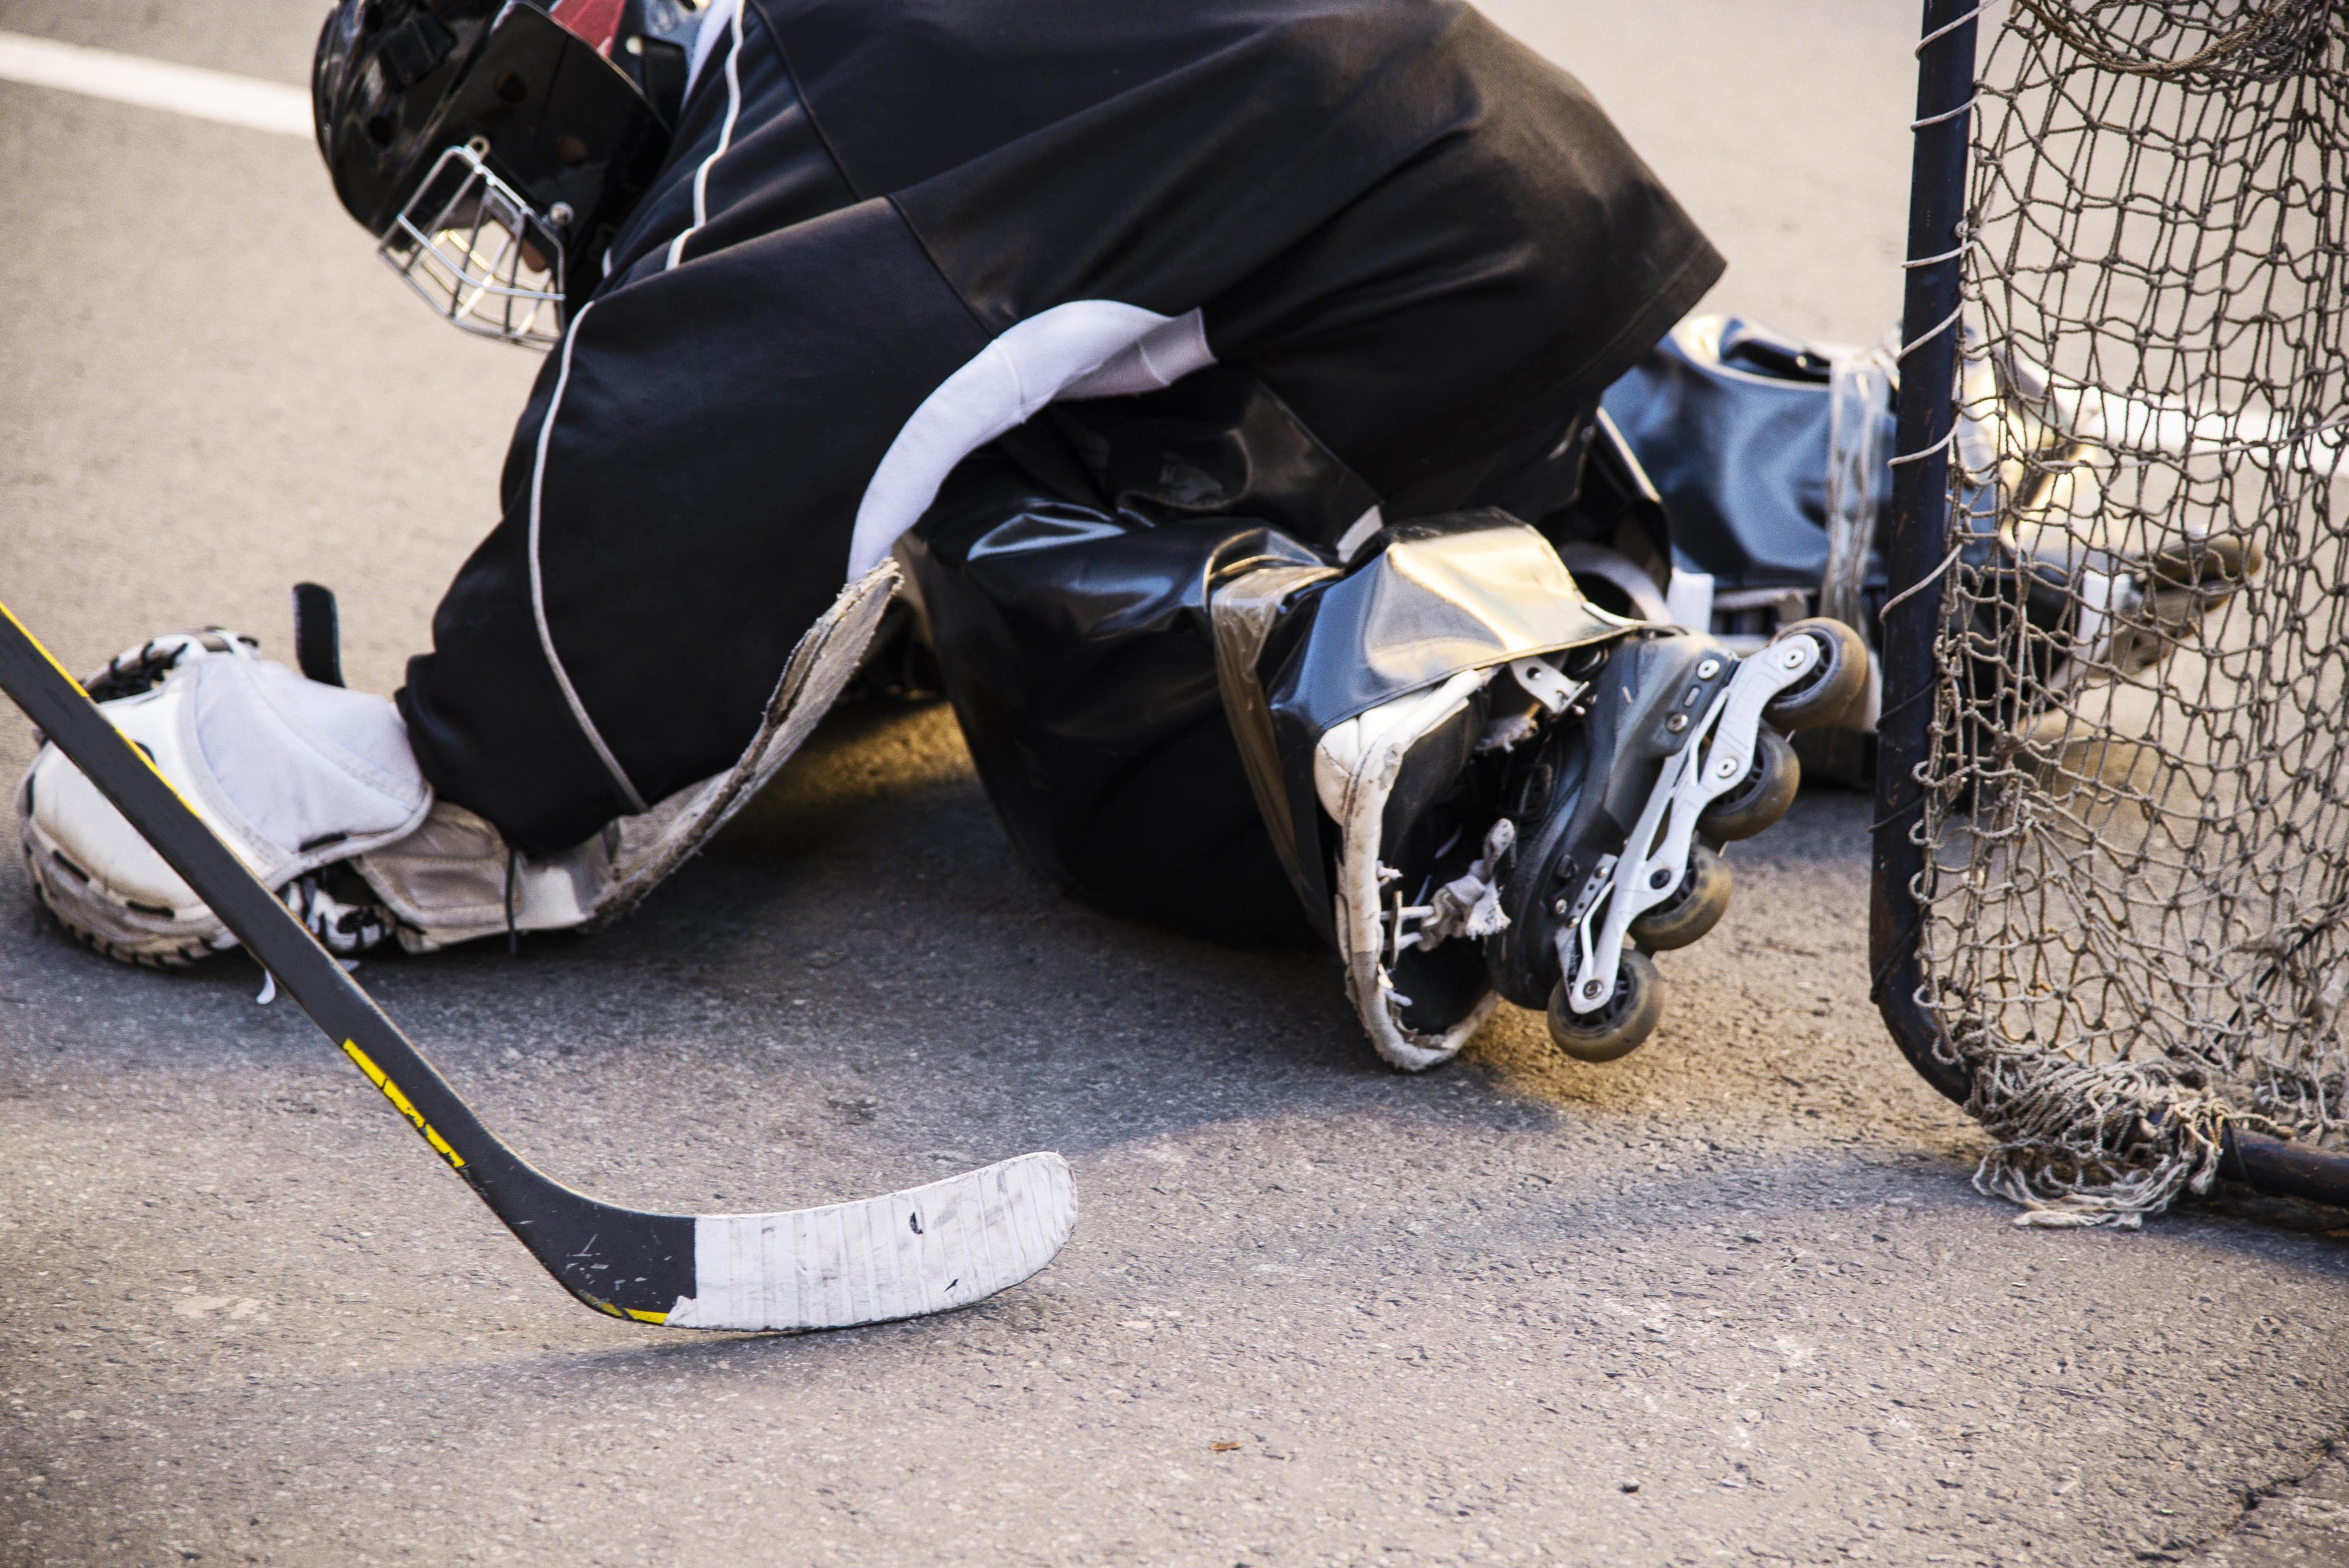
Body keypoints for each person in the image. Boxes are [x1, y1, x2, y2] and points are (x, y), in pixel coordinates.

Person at [17, 0, 1872, 1068]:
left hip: (1392, 285)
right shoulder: (846, 36)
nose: (517, 252)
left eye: (488, 194)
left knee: (1021, 583)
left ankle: (1505, 745)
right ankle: (1796, 493)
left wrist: (336, 769)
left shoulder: (764, 160)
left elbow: (590, 666)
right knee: (1063, 374)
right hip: (1486, 190)